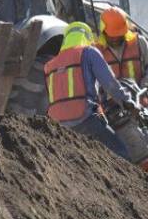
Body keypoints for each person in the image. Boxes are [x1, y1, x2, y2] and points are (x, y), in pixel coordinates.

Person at [44, 22, 136, 158]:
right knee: (122, 155)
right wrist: (127, 101)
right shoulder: (88, 52)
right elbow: (110, 83)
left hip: (57, 125)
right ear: (87, 37)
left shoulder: (49, 65)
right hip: (84, 118)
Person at [97, 7, 148, 86]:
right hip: (110, 97)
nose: (115, 39)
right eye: (112, 36)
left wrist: (146, 83)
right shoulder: (96, 51)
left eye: (119, 35)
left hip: (139, 95)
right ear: (104, 32)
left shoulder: (139, 42)